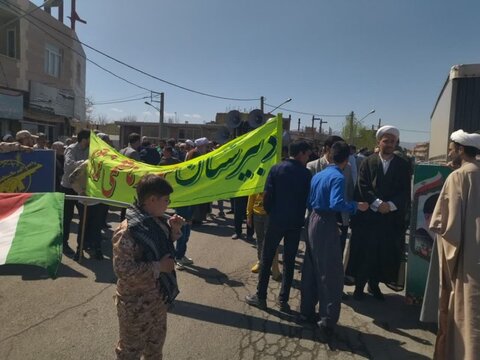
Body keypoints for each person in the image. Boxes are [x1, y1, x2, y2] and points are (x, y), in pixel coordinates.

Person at [300, 141, 368, 338]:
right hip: (325, 221)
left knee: (311, 268)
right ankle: (327, 320)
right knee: (331, 273)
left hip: (312, 219)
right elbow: (336, 203)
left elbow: (310, 201)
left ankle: (306, 311)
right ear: (347, 160)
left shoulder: (319, 174)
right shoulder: (337, 176)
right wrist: (357, 206)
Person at [112, 174, 184, 359]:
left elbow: (161, 245)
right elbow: (123, 270)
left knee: (154, 349)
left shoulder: (155, 221)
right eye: (166, 200)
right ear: (152, 199)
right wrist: (158, 267)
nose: (168, 204)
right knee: (130, 352)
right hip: (136, 305)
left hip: (157, 299)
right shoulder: (128, 230)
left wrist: (174, 230)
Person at [429, 129, 480, 360]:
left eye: (451, 149)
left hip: (466, 262)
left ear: (461, 150)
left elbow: (447, 227)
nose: (449, 153)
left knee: (465, 314)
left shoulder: (458, 177)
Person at [245, 140, 312, 313]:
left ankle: (261, 297)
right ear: (301, 153)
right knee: (289, 263)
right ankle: (283, 301)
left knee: (267, 259)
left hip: (276, 221)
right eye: (307, 154)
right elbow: (308, 199)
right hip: (295, 223)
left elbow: (267, 196)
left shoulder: (276, 169)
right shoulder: (306, 174)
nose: (308, 157)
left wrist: (271, 212)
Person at [346, 125, 411, 301]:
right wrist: (376, 203)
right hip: (368, 218)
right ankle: (359, 286)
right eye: (386, 141)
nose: (389, 144)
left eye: (392, 141)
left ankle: (374, 285)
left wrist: (390, 205)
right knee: (364, 252)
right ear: (379, 142)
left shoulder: (403, 165)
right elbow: (362, 185)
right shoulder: (368, 162)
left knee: (382, 253)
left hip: (389, 219)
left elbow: (405, 190)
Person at [61, 129, 91, 257]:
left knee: (84, 219)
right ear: (84, 139)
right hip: (68, 187)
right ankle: (64, 244)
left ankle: (80, 247)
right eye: (90, 139)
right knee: (67, 218)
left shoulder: (90, 150)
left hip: (82, 189)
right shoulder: (71, 149)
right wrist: (85, 164)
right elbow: (68, 166)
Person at [246, 192, 281, 280]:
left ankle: (274, 268)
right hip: (257, 214)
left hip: (270, 214)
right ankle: (260, 262)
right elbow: (251, 198)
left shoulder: (273, 180)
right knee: (260, 240)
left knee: (271, 241)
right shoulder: (256, 181)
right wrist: (249, 214)